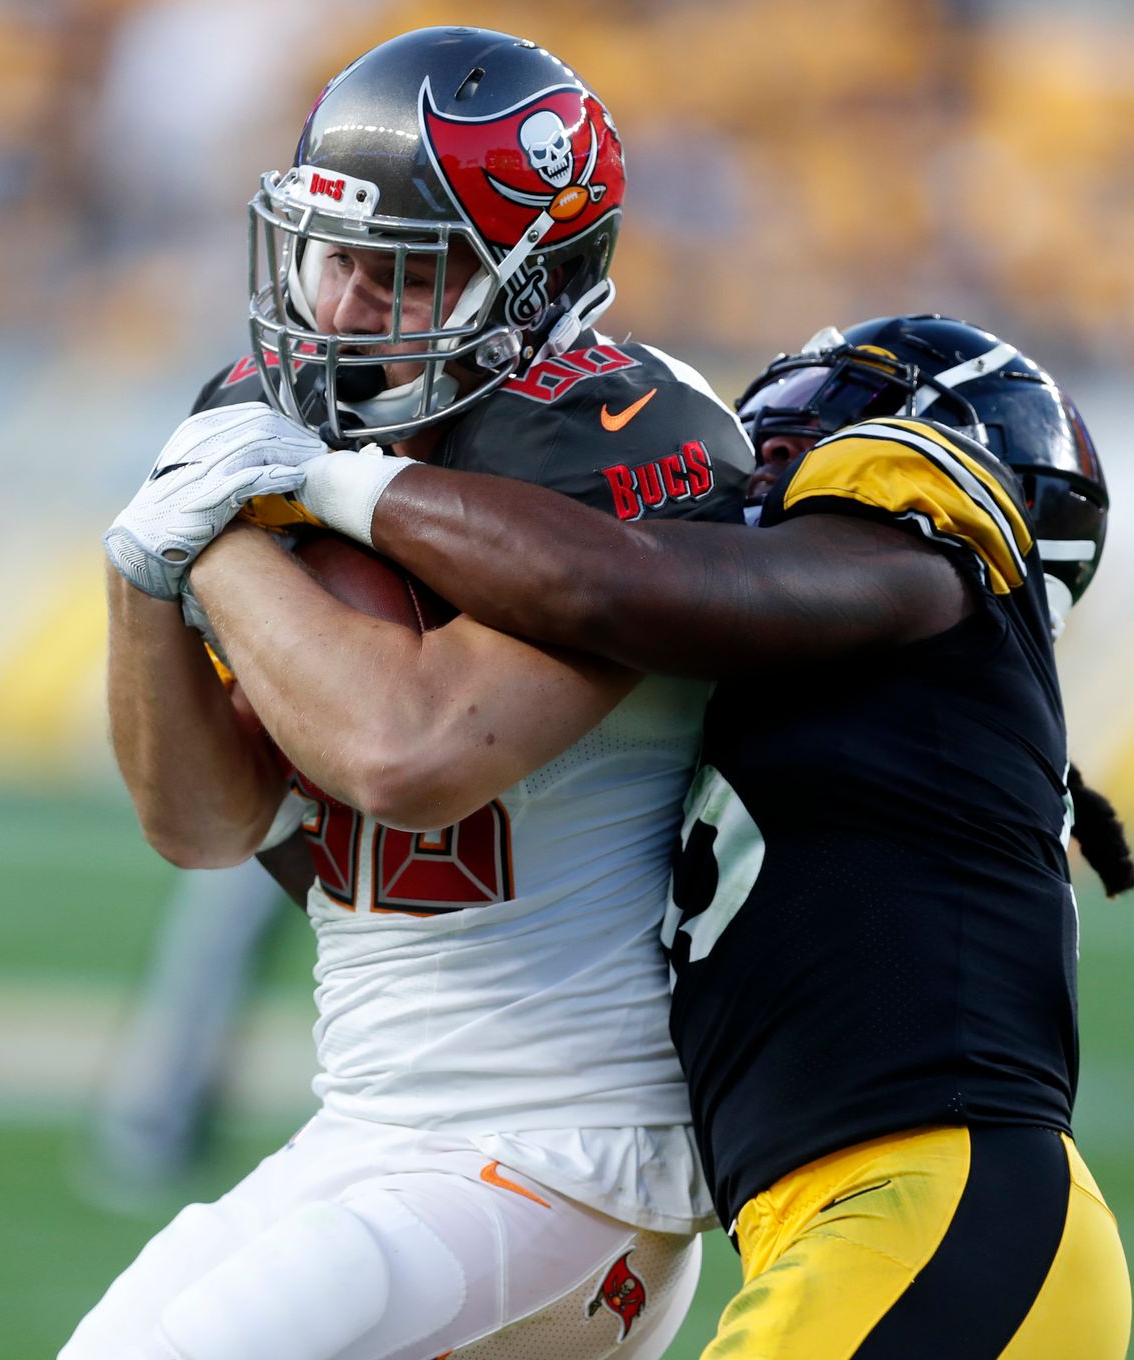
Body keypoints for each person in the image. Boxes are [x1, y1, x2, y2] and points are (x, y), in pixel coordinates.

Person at [198, 314, 1134, 1357]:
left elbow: (609, 582)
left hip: (939, 1210)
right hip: (870, 1223)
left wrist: (339, 479)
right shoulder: (851, 705)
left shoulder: (917, 528)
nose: (768, 445)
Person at [69, 26, 755, 1360]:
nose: (340, 306)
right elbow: (205, 829)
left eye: (404, 273)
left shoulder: (621, 439)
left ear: (536, 281)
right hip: (375, 1128)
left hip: (568, 1153)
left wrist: (221, 538)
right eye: (336, 257)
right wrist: (140, 573)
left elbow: (408, 751)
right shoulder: (264, 412)